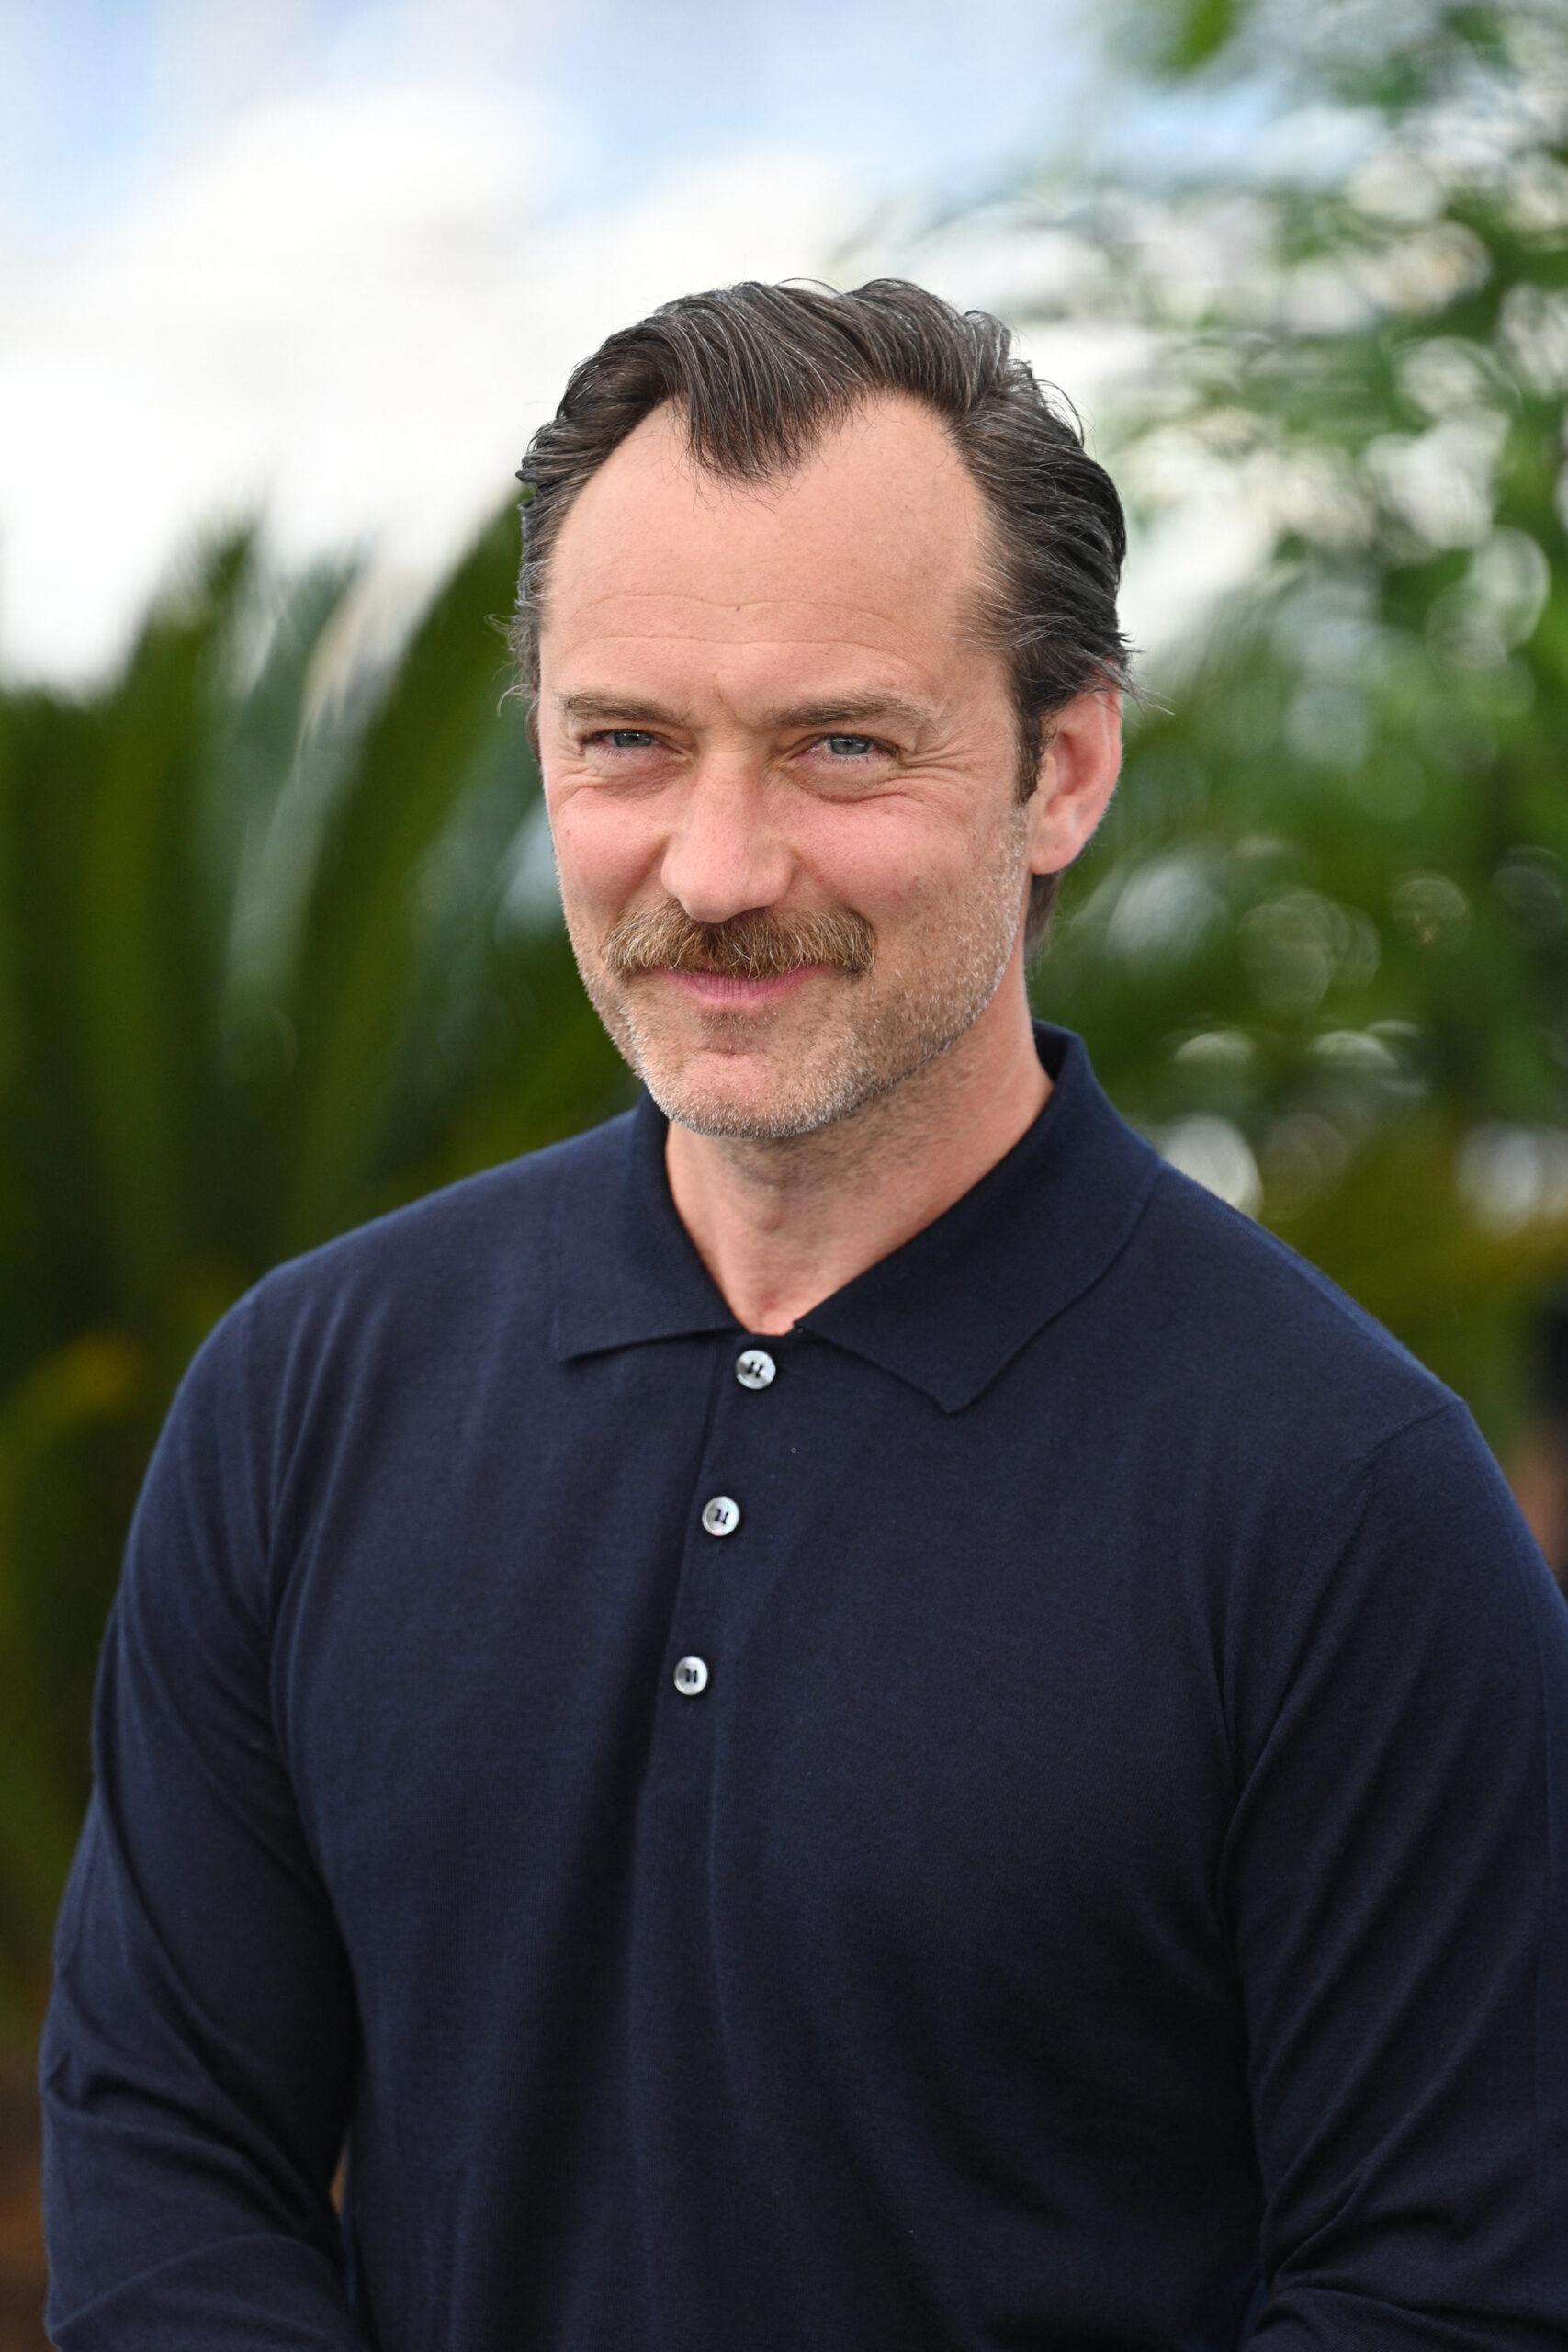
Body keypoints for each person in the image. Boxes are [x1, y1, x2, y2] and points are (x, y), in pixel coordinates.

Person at [38, 277, 1568, 2350]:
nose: (719, 858)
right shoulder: (304, 1398)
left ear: (1061, 766)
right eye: (627, 744)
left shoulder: (1342, 1505)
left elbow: (1439, 2294)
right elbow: (170, 2145)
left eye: (840, 743)